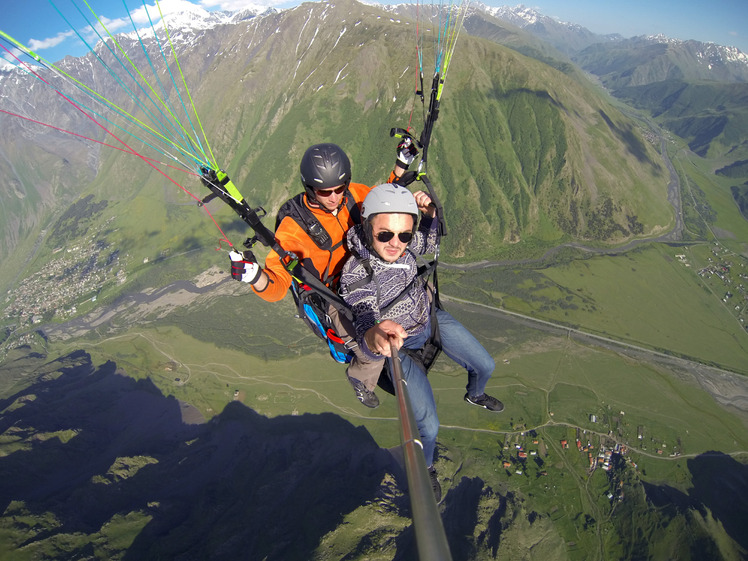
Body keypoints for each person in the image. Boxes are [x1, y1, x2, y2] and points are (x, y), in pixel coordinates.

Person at [339, 183, 504, 500]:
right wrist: (373, 332)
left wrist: (428, 215)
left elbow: (427, 240)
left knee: (486, 364)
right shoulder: (356, 269)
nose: (396, 244)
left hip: (428, 321)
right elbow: (362, 310)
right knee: (428, 425)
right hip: (399, 350)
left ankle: (475, 393)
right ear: (366, 225)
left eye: (403, 235)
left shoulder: (405, 243)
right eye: (384, 234)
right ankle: (427, 466)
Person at [229, 142, 418, 408]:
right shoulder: (293, 228)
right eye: (324, 191)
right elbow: (278, 285)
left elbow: (382, 207)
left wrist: (401, 165)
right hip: (333, 295)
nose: (333, 197)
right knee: (371, 351)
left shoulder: (353, 194)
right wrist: (253, 276)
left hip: (365, 271)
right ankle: (361, 381)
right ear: (309, 188)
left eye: (339, 188)